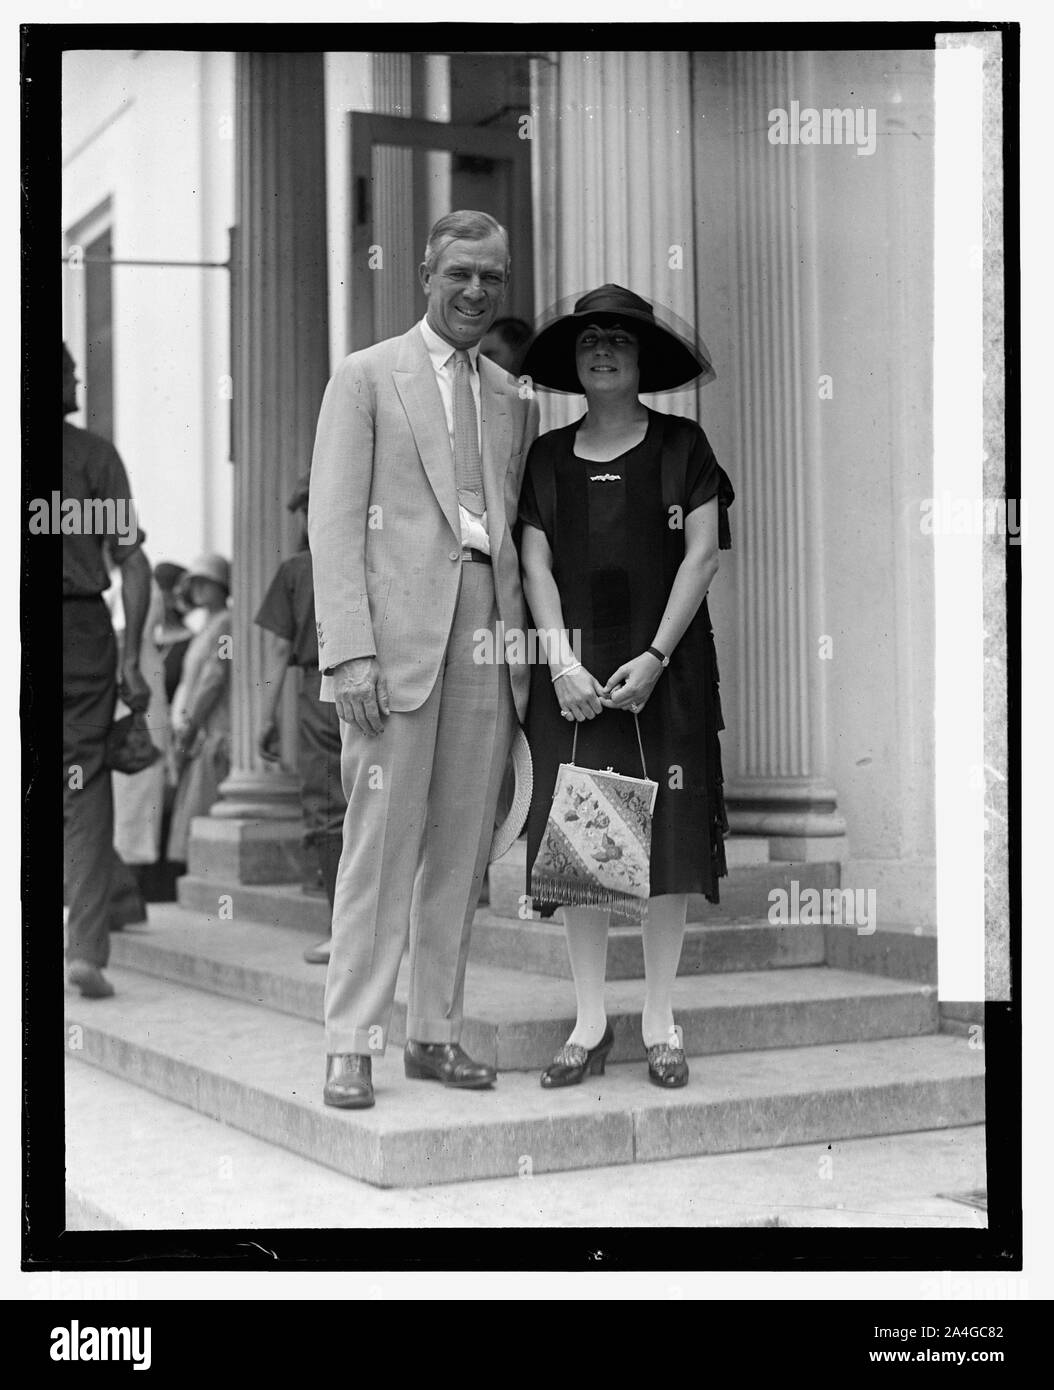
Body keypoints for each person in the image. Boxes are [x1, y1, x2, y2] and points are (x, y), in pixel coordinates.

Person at [309, 209, 539, 1109]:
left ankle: (433, 1033)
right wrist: (349, 656)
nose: (477, 292)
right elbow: (333, 527)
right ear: (426, 274)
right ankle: (349, 1043)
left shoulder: (510, 394)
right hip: (394, 639)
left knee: (459, 850)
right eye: (461, 276)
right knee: (378, 845)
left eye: (492, 277)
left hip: (487, 625)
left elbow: (510, 527)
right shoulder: (366, 378)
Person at [517, 284, 734, 1090]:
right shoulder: (546, 456)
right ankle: (588, 1020)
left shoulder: (683, 445)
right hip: (573, 676)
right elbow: (534, 563)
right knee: (582, 843)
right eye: (587, 341)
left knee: (668, 844)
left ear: (642, 358)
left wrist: (654, 658)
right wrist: (560, 663)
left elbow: (702, 556)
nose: (602, 350)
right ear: (574, 364)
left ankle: (659, 1021)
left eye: (619, 339)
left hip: (663, 669)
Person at [62, 342, 152, 998]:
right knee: (85, 784)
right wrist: (128, 657)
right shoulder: (94, 456)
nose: (77, 377)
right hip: (83, 635)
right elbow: (132, 562)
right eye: (67, 369)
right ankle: (85, 944)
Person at [255, 472, 346, 965]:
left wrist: (264, 717)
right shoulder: (369, 557)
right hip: (382, 690)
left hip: (321, 692)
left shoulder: (295, 571)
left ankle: (342, 932)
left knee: (328, 809)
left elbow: (274, 647)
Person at [166, 554, 232, 863]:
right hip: (195, 729)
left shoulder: (226, 622)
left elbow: (214, 678)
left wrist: (192, 722)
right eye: (196, 583)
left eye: (207, 581)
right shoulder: (204, 626)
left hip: (212, 726)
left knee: (204, 812)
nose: (201, 588)